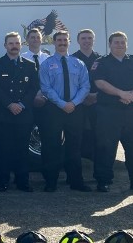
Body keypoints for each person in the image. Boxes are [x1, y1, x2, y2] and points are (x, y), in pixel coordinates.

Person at [91, 31, 133, 193]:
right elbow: (100, 83)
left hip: (132, 113)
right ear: (109, 45)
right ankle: (103, 181)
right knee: (106, 149)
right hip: (109, 113)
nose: (119, 45)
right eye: (116, 42)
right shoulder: (101, 62)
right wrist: (121, 93)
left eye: (122, 42)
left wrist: (132, 94)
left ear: (126, 44)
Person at [38, 31, 92, 192]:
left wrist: (73, 103)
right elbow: (45, 87)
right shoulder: (46, 64)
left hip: (75, 109)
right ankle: (51, 181)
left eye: (64, 40)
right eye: (59, 40)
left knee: (74, 146)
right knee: (51, 145)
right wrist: (62, 104)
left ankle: (76, 181)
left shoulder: (78, 63)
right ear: (53, 43)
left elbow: (85, 86)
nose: (62, 42)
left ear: (69, 42)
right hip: (54, 109)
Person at [0, 32, 39, 192]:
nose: (14, 46)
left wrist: (22, 104)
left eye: (17, 43)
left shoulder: (30, 65)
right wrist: (10, 104)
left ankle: (22, 181)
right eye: (11, 43)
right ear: (5, 46)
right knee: (4, 149)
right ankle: (4, 181)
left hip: (23, 114)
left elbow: (33, 87)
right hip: (4, 114)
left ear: (21, 45)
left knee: (22, 149)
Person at [71, 29, 100, 159]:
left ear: (94, 40)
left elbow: (107, 80)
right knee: (78, 136)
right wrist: (84, 97)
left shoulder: (101, 59)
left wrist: (96, 96)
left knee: (98, 136)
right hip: (79, 103)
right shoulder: (72, 59)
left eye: (89, 38)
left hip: (97, 102)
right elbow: (70, 82)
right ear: (78, 41)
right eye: (83, 38)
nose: (86, 41)